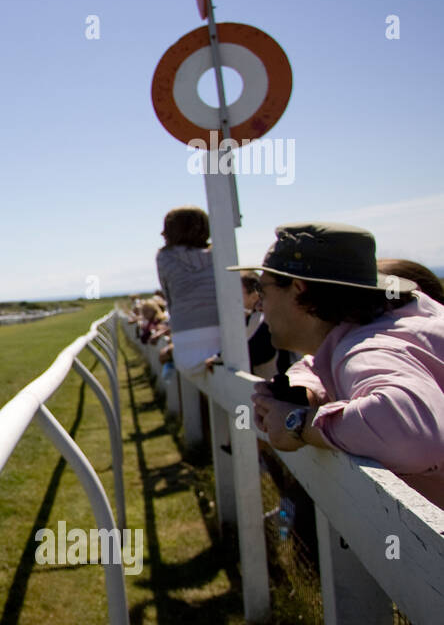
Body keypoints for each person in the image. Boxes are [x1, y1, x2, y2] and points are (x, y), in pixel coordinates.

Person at [229, 222, 444, 507]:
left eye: (262, 289)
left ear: (298, 289)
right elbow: (317, 363)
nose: (259, 305)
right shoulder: (397, 319)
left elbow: (414, 435)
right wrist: (304, 392)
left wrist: (298, 424)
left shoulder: (365, 350)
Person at [156, 206, 220, 374]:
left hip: (185, 346)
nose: (162, 234)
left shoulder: (165, 257)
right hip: (224, 339)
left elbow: (170, 297)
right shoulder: (220, 254)